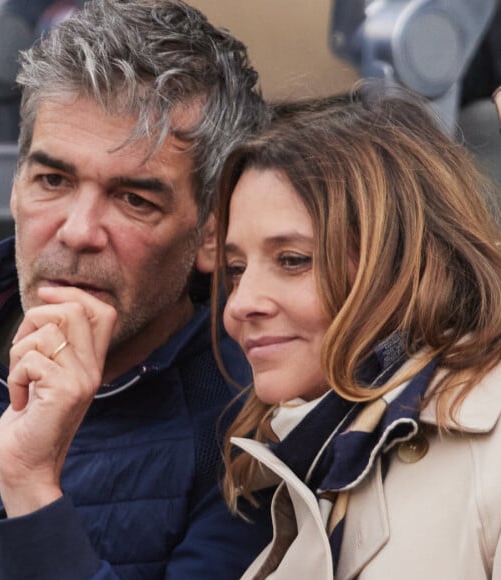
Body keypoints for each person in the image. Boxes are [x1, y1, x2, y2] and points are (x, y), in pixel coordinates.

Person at [0, 1, 274, 578]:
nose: (79, 232)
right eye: (52, 180)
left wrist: (34, 489)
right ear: (15, 186)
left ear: (213, 232)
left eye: (135, 199)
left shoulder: (245, 434)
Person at [211, 85, 501, 579]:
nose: (240, 304)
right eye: (236, 268)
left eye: (293, 260)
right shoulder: (320, 449)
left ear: (402, 262)